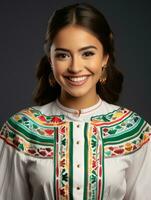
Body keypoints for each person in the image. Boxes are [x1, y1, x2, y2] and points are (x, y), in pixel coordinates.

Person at [0, 3, 151, 200]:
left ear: (105, 57)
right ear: (51, 60)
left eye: (87, 53)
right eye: (63, 55)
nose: (75, 67)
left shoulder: (134, 131)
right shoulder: (20, 131)